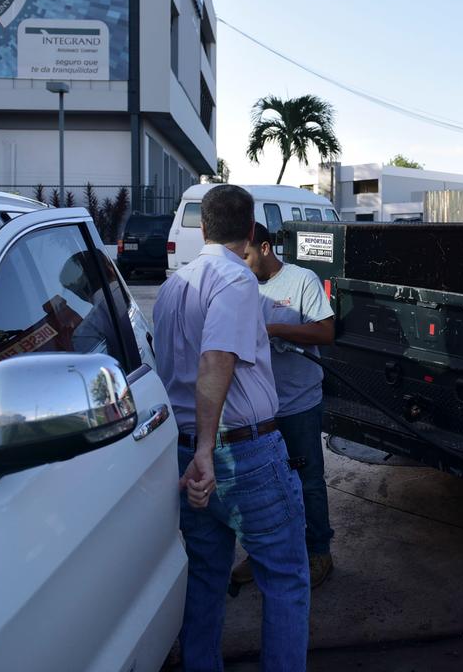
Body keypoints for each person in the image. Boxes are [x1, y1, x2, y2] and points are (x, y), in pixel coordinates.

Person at [152, 184, 310, 672]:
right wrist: (206, 452)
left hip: (188, 455)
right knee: (285, 578)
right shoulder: (237, 280)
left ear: (202, 228)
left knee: (205, 574)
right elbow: (216, 359)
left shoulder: (174, 285)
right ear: (249, 230)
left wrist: (195, 453)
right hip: (239, 457)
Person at [234, 223, 337, 589]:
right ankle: (262, 554)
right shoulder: (241, 286)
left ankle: (318, 552)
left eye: (245, 255)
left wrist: (276, 330)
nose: (241, 264)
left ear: (265, 248)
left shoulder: (301, 280)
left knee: (306, 479)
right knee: (264, 485)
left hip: (298, 406)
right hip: (258, 409)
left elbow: (326, 331)